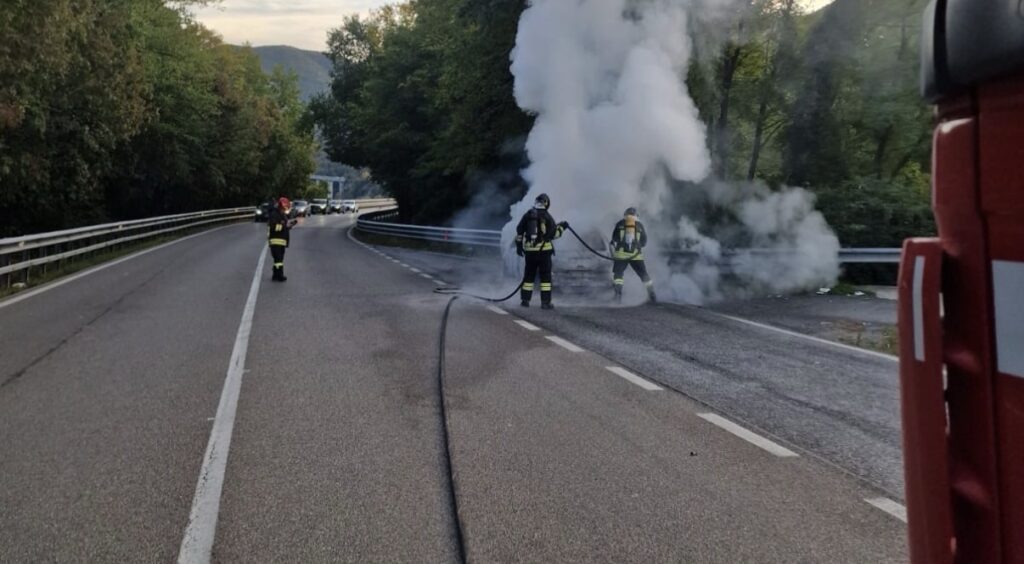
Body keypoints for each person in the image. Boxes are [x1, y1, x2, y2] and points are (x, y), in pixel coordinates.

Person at [515, 193, 567, 309]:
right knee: (545, 278)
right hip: (544, 252)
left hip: (530, 252)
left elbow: (519, 231)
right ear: (547, 203)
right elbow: (554, 234)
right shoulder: (547, 216)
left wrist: (519, 246)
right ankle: (545, 302)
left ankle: (525, 301)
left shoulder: (528, 215)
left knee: (528, 276)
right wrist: (562, 228)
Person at [610, 207, 656, 303]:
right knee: (643, 274)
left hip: (621, 255)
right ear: (636, 215)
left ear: (625, 214)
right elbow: (644, 242)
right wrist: (637, 246)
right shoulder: (639, 225)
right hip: (636, 255)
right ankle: (652, 295)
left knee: (618, 275)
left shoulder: (619, 224)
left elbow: (614, 239)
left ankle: (618, 296)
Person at [268, 197, 296, 282]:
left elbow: (284, 226)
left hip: (281, 241)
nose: (285, 210)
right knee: (278, 260)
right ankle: (279, 275)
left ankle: (275, 275)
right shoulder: (274, 214)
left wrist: (290, 225)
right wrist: (285, 226)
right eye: (284, 209)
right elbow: (274, 227)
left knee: (278, 260)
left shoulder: (282, 214)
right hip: (276, 241)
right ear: (281, 207)